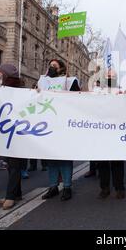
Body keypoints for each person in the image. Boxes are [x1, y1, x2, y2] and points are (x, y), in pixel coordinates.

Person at [39, 59, 79, 201]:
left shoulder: (70, 81)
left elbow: (78, 101)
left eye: (54, 66)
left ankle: (67, 187)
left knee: (64, 157)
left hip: (63, 123)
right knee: (51, 158)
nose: (51, 68)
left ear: (62, 69)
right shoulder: (43, 81)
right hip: (48, 123)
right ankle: (53, 186)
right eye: (49, 65)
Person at [0, 64, 28, 210]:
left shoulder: (20, 92)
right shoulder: (0, 90)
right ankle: (17, 193)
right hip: (7, 132)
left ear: (6, 76)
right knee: (12, 166)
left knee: (14, 166)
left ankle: (10, 196)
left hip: (18, 134)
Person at [97, 69, 126, 199]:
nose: (110, 77)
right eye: (108, 75)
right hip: (101, 130)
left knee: (117, 161)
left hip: (117, 130)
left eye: (112, 76)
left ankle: (119, 187)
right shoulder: (97, 91)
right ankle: (104, 188)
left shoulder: (122, 90)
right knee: (102, 161)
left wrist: (125, 96)